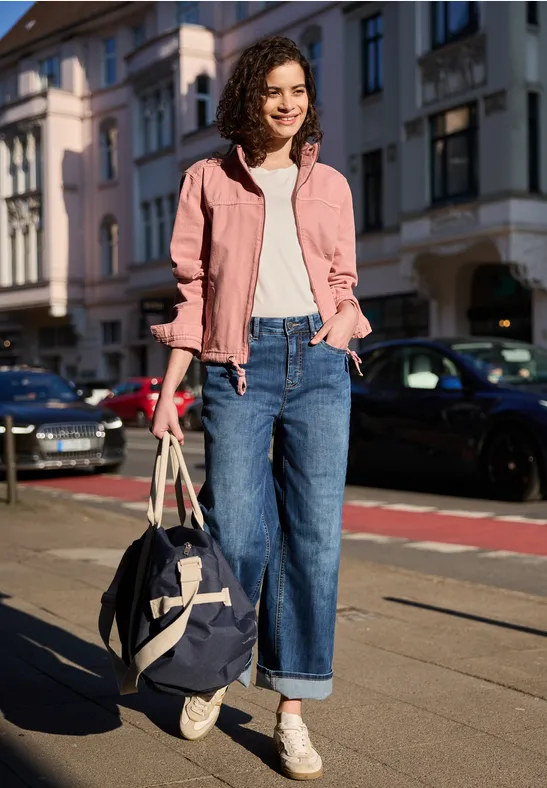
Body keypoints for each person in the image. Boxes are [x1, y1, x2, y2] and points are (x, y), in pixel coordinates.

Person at [150, 35, 371, 781]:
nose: (287, 103)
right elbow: (194, 289)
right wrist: (170, 391)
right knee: (240, 538)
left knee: (312, 543)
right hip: (234, 367)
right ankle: (213, 669)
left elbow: (341, 275)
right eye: (273, 90)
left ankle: (292, 712)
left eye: (298, 91)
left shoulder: (330, 184)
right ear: (249, 96)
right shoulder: (205, 180)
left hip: (317, 362)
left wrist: (340, 323)